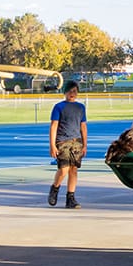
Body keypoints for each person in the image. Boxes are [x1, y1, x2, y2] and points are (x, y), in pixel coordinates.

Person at [48, 80, 87, 209]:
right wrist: (52, 145)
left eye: (75, 91)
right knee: (64, 169)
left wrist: (84, 144)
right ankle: (55, 188)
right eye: (70, 91)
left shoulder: (81, 107)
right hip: (63, 141)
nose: (72, 93)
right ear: (65, 92)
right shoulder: (59, 107)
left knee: (74, 170)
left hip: (76, 142)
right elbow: (54, 126)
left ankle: (71, 197)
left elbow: (83, 126)